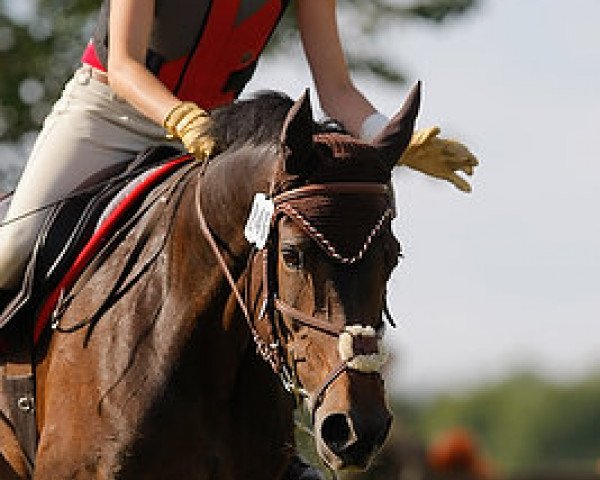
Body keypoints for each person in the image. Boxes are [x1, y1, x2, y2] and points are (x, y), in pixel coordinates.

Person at [0, 0, 478, 295]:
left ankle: (279, 448)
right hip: (110, 114)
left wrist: (392, 139)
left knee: (276, 271)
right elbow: (123, 65)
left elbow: (336, 91)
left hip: (216, 137)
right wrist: (176, 116)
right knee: (15, 250)